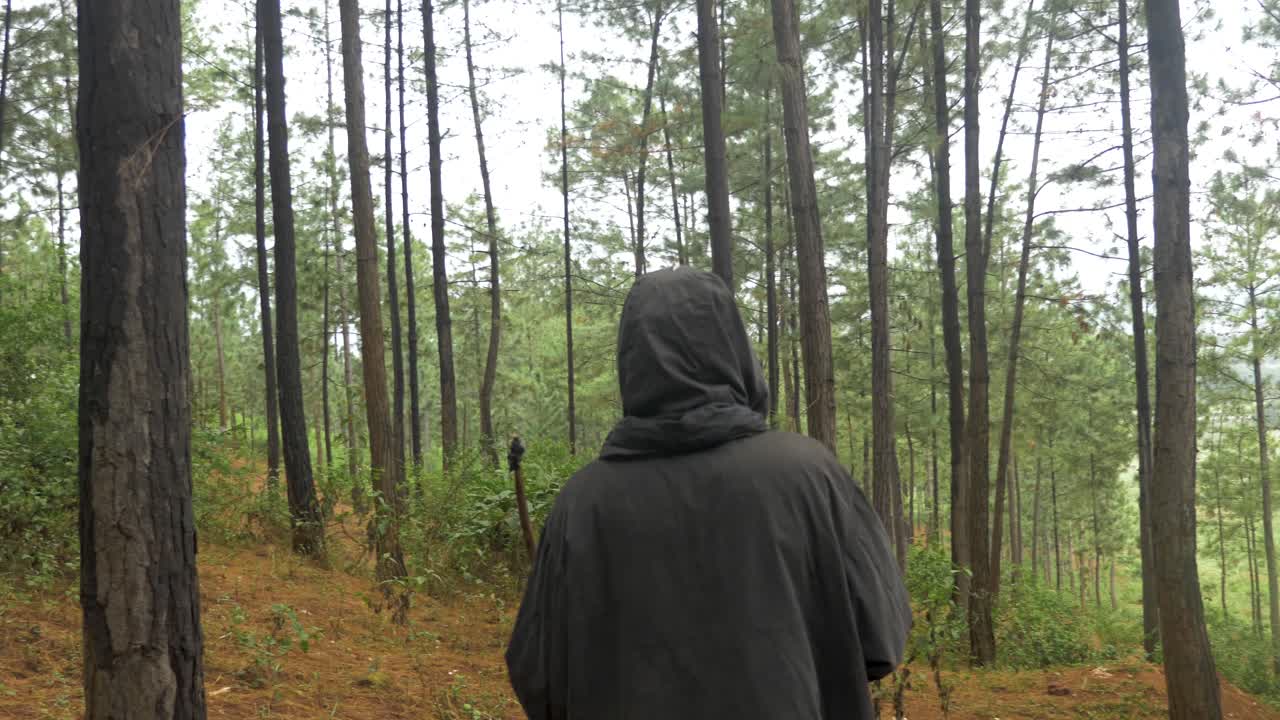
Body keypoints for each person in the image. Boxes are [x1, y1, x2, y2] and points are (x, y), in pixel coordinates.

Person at [506, 268, 911, 720]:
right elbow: (881, 639)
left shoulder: (581, 504)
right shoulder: (810, 476)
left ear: (632, 361)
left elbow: (537, 677)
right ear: (734, 349)